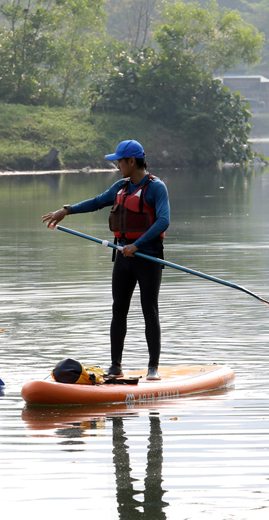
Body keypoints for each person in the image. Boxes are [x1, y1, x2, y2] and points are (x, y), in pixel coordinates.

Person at [41, 140, 169, 380]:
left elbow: (163, 221)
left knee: (149, 310)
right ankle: (115, 366)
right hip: (123, 257)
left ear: (132, 161)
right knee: (118, 309)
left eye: (119, 161)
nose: (117, 165)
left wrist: (137, 245)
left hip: (148, 257)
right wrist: (67, 210)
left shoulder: (156, 188)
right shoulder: (120, 187)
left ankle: (153, 368)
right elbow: (97, 202)